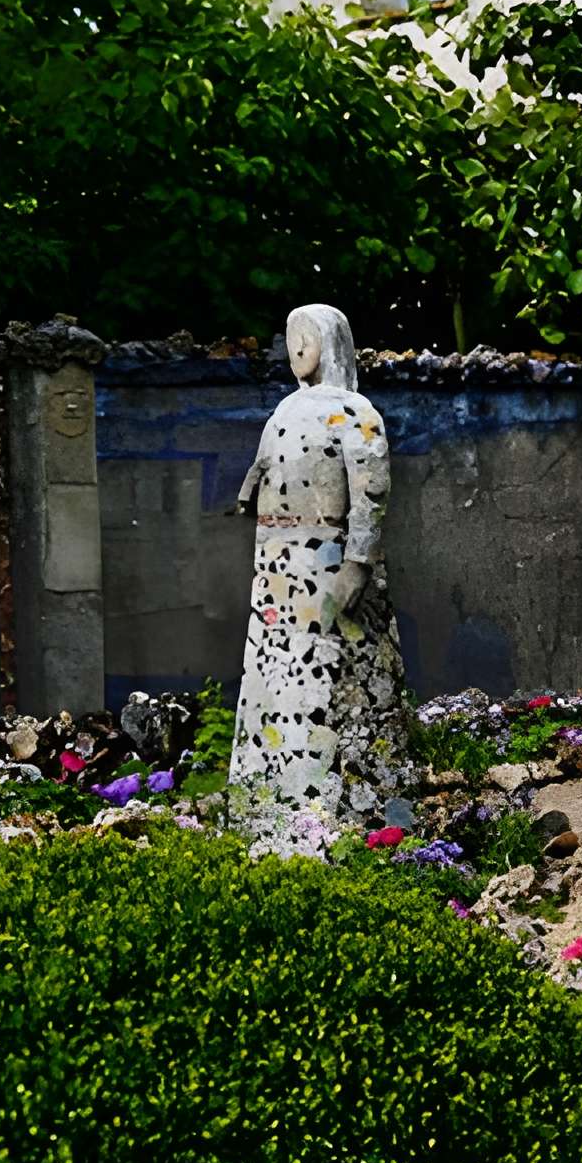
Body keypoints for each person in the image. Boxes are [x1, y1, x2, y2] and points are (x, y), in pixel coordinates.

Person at [230, 304, 407, 848]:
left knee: (335, 682)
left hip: (327, 564)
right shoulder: (284, 409)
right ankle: (269, 802)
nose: (295, 349)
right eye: (289, 339)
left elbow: (371, 491)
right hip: (277, 571)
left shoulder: (355, 412)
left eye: (303, 338)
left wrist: (358, 561)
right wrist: (251, 488)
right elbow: (265, 464)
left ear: (328, 343)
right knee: (273, 683)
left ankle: (342, 807)